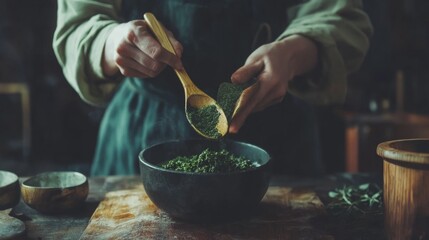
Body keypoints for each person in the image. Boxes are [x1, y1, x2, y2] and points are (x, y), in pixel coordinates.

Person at [53, 0, 373, 176]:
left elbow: (342, 17)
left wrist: (292, 53)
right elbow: (77, 24)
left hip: (274, 126)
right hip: (142, 130)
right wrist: (112, 42)